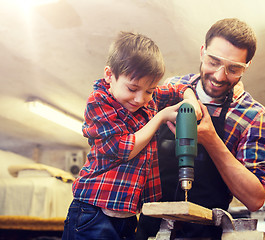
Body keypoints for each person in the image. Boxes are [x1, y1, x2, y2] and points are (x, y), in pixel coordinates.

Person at [136, 18, 265, 239]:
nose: (220, 76)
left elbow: (255, 199)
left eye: (234, 68)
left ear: (246, 67)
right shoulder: (170, 89)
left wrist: (211, 139)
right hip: (150, 230)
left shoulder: (253, 115)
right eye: (213, 61)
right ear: (202, 52)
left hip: (206, 232)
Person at [61, 31, 200, 240]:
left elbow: (179, 88)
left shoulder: (147, 98)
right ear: (109, 75)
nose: (140, 99)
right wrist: (160, 117)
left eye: (149, 91)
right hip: (93, 211)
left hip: (127, 215)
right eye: (132, 88)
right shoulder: (98, 102)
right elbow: (123, 148)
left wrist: (192, 101)